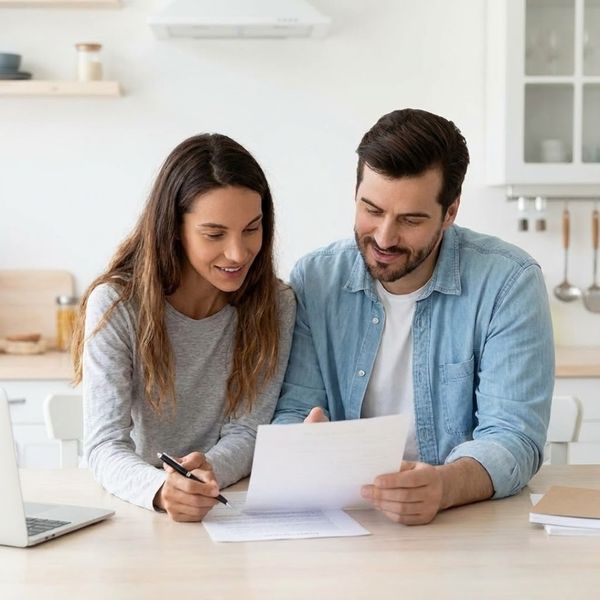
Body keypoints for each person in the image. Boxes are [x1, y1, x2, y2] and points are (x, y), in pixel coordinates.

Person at [274, 108, 554, 525]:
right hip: (347, 517)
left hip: (459, 522)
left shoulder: (508, 282)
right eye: (372, 210)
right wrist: (301, 439)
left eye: (410, 220)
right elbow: (295, 409)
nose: (385, 237)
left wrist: (444, 486)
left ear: (450, 212)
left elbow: (513, 438)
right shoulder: (315, 279)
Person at [72, 133, 295, 522]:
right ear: (174, 228)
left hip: (229, 507)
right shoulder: (118, 305)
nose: (238, 253)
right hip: (139, 512)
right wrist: (161, 489)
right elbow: (105, 444)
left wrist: (205, 473)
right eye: (214, 234)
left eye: (251, 229)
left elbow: (249, 430)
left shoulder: (274, 304)